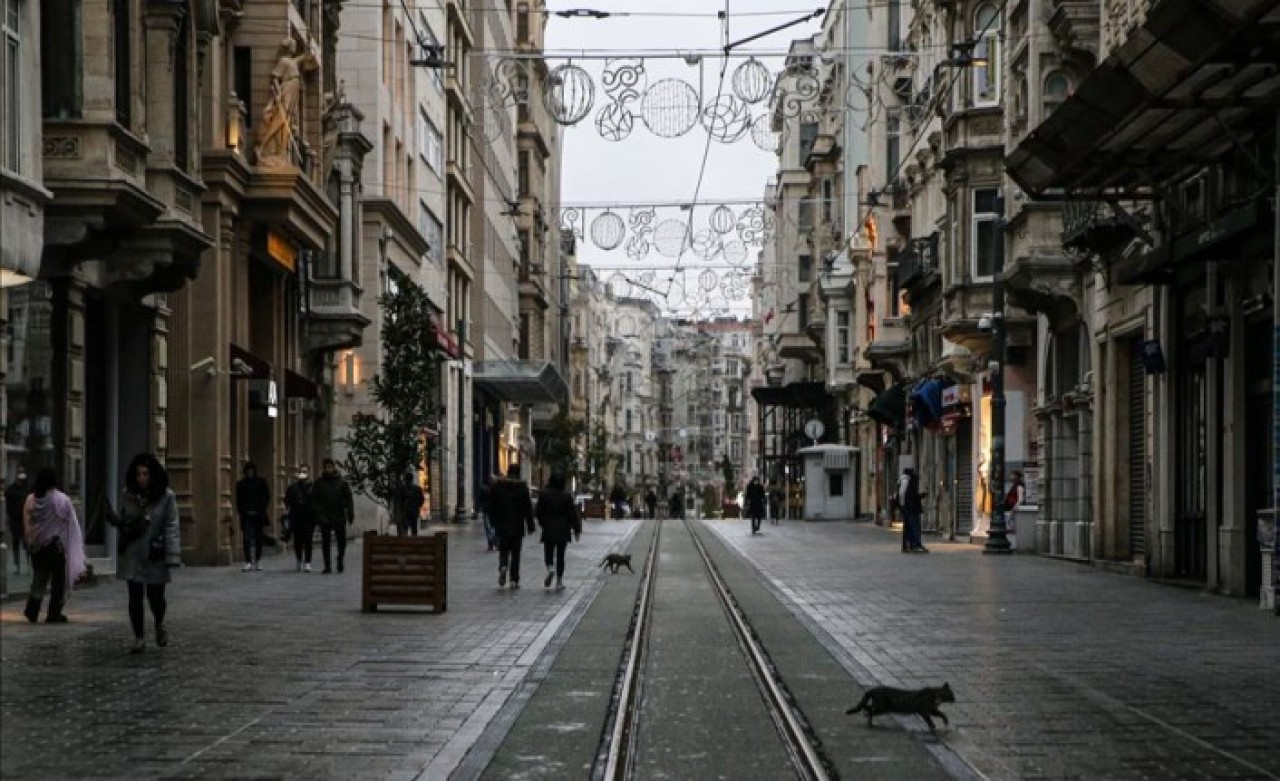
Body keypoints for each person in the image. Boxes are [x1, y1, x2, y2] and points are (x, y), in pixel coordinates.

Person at [114, 454, 180, 654]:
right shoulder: (128, 495)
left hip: (155, 553)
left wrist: (172, 555)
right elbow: (123, 519)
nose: (141, 478)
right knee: (134, 596)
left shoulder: (166, 497)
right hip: (133, 552)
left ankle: (159, 623)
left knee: (156, 596)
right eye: (138, 474)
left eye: (145, 474)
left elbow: (172, 525)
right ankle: (139, 637)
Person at [21, 467, 86, 624]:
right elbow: (69, 520)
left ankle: (32, 610)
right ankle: (54, 613)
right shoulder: (60, 499)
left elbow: (27, 523)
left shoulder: (31, 499)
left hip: (37, 547)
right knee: (58, 581)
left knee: (39, 578)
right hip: (54, 547)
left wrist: (30, 540)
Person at [488, 462, 535, 589]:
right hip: (517, 525)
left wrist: (493, 522)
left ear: (508, 472)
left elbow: (492, 506)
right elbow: (527, 508)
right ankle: (514, 579)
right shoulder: (522, 488)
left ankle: (503, 566)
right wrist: (530, 525)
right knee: (515, 553)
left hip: (502, 525)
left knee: (503, 549)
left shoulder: (498, 487)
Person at [536, 470, 581, 590]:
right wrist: (576, 529)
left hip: (549, 527)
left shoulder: (544, 495)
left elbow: (539, 512)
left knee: (548, 552)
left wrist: (543, 524)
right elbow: (572, 514)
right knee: (561, 555)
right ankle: (559, 581)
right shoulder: (567, 496)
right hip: (563, 528)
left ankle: (550, 567)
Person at [313, 458, 354, 573]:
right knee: (325, 542)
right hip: (325, 516)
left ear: (334, 467)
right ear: (324, 468)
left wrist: (350, 513)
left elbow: (349, 499)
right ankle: (327, 566)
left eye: (330, 467)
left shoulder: (342, 483)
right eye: (327, 467)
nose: (329, 469)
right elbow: (314, 500)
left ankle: (340, 559)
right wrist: (319, 514)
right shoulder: (319, 483)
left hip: (339, 515)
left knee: (342, 542)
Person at [235, 461, 270, 572]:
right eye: (248, 471)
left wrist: (262, 507)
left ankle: (257, 560)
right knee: (247, 539)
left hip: (258, 515)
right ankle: (248, 562)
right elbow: (238, 500)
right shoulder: (241, 484)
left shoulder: (261, 482)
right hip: (246, 516)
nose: (250, 472)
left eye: (251, 471)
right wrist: (241, 511)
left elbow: (267, 496)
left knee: (258, 539)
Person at [284, 464, 317, 572]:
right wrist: (289, 509)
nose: (303, 474)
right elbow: (287, 500)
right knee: (297, 540)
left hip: (309, 517)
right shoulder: (293, 487)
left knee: (308, 541)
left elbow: (317, 501)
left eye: (305, 471)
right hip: (296, 517)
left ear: (309, 473)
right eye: (301, 471)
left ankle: (307, 562)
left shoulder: (313, 487)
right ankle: (299, 559)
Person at [5, 467, 29, 574]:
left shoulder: (27, 489)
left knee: (26, 543)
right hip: (15, 520)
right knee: (16, 543)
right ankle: (17, 566)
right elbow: (8, 506)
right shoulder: (11, 490)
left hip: (24, 520)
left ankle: (27, 565)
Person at [898, 467, 928, 553]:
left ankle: (909, 545)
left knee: (909, 527)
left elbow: (908, 494)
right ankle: (915, 545)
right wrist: (903, 505)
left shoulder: (904, 480)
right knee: (914, 526)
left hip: (909, 507)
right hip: (911, 508)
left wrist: (919, 496)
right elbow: (902, 494)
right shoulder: (906, 480)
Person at [478, 476, 497, 551]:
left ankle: (494, 542)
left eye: (493, 480)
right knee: (488, 528)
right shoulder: (484, 489)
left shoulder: (498, 489)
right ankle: (491, 543)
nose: (492, 481)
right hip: (487, 511)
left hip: (495, 511)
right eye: (491, 480)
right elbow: (480, 499)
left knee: (495, 528)